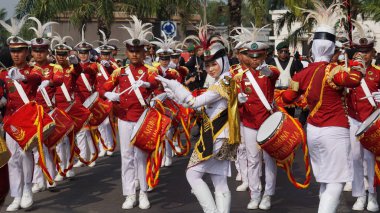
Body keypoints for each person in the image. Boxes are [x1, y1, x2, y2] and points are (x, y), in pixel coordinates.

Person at [280, 1, 365, 212]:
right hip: (334, 130)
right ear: (332, 47)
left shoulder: (302, 73)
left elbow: (287, 98)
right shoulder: (333, 71)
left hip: (314, 131)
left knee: (326, 181)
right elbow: (354, 79)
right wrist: (357, 58)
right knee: (336, 182)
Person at [157, 24, 240, 213]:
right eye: (207, 65)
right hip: (222, 135)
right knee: (219, 182)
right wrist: (172, 93)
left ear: (224, 61)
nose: (210, 68)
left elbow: (194, 102)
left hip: (218, 137)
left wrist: (174, 85)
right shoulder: (223, 80)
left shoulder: (225, 82)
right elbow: (192, 103)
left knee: (192, 174)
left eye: (214, 64)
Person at [102, 15, 159, 210]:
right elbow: (104, 87)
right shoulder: (120, 71)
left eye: (138, 51)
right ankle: (129, 194)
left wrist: (147, 84)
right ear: (127, 52)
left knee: (141, 156)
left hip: (142, 117)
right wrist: (109, 93)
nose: (134, 54)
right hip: (125, 118)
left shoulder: (150, 70)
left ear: (144, 52)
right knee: (126, 156)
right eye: (131, 51)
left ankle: (143, 192)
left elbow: (156, 83)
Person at [231, 24, 280, 210]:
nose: (255, 60)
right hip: (249, 123)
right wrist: (238, 98)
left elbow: (274, 74)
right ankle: (255, 193)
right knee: (252, 160)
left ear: (264, 55)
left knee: (269, 160)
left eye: (258, 56)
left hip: (268, 122)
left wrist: (266, 71)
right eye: (251, 56)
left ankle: (268, 194)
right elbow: (231, 94)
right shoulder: (239, 74)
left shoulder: (270, 71)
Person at [0, 15, 43, 211]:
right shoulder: (4, 73)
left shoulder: (33, 71)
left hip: (27, 120)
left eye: (19, 51)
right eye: (13, 51)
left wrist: (20, 75)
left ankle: (27, 189)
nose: (16, 55)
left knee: (26, 155)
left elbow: (36, 78)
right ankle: (16, 195)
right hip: (10, 120)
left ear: (27, 52)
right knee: (13, 159)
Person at [28, 17, 64, 193]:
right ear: (32, 52)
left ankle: (49, 176)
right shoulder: (28, 69)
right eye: (35, 51)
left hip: (49, 112)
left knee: (48, 146)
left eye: (42, 50)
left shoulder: (54, 68)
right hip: (33, 113)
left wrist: (47, 82)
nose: (38, 54)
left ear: (47, 51)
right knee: (36, 147)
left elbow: (59, 81)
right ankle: (38, 180)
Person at [348, 22, 379, 212]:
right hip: (353, 120)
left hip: (372, 122)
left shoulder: (378, 73)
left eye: (367, 51)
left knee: (371, 159)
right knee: (355, 158)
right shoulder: (348, 72)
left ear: (373, 53)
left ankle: (373, 196)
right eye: (360, 51)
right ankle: (360, 195)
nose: (363, 55)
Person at [51, 33, 82, 181]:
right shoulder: (51, 70)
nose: (61, 57)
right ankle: (61, 167)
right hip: (57, 108)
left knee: (69, 138)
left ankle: (69, 165)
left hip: (70, 108)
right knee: (59, 140)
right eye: (59, 54)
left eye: (64, 54)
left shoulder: (71, 69)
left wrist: (76, 63)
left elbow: (79, 72)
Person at [72, 25, 99, 168]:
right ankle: (83, 156)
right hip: (78, 99)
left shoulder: (94, 66)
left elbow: (89, 70)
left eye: (85, 52)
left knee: (91, 129)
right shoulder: (73, 66)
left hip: (89, 99)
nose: (82, 55)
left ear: (89, 53)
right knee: (81, 130)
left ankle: (93, 155)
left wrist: (78, 66)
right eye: (80, 52)